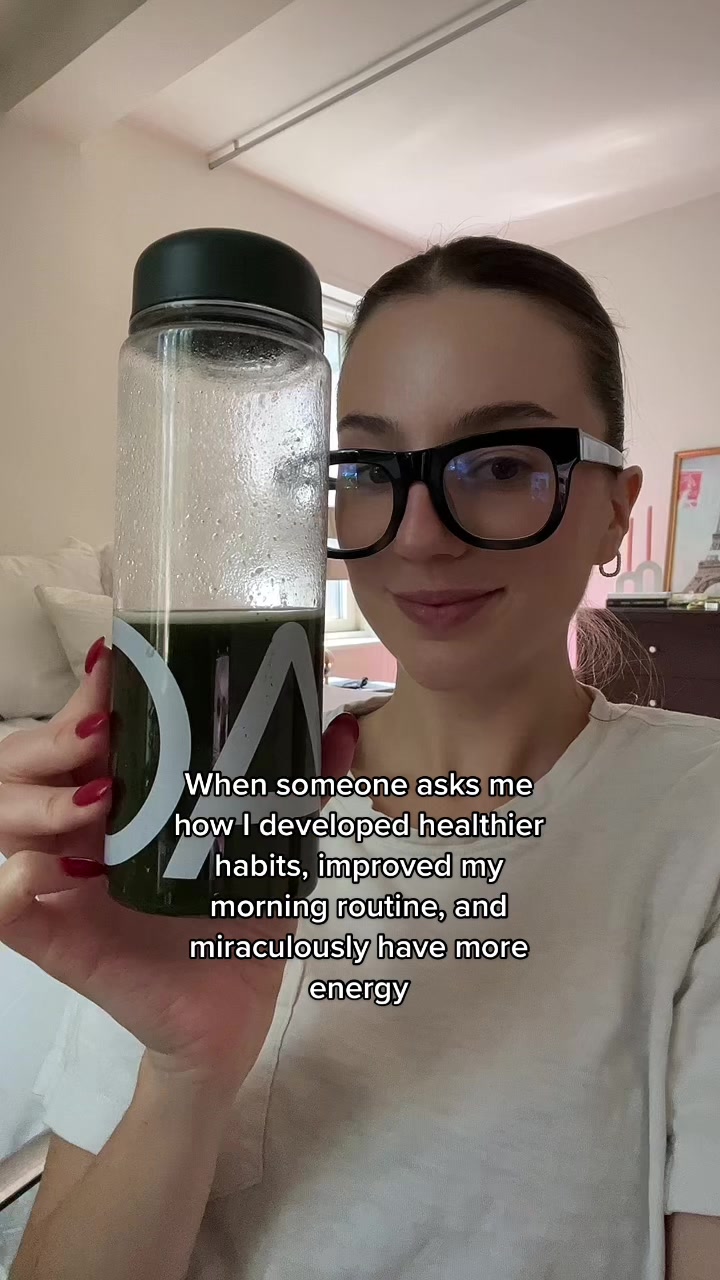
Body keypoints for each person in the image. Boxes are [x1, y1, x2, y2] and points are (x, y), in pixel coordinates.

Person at [1, 236, 719, 1280]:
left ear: (616, 504)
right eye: (370, 470)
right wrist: (185, 1075)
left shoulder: (695, 820)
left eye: (501, 464)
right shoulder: (222, 805)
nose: (417, 536)